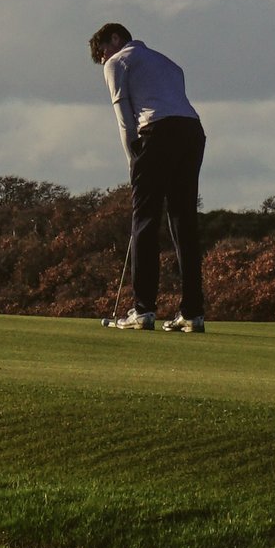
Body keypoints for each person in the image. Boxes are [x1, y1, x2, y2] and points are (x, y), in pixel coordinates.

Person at [90, 22, 207, 333]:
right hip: (192, 131)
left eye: (102, 52)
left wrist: (133, 161)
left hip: (156, 132)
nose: (103, 60)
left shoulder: (117, 62)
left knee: (145, 218)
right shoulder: (170, 63)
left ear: (115, 38)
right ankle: (193, 313)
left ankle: (143, 310)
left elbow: (125, 120)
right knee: (183, 219)